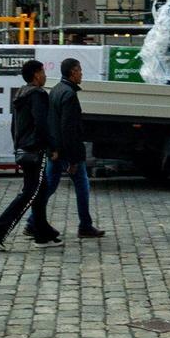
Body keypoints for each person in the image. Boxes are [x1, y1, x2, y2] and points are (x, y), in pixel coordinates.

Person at [0, 59, 58, 249]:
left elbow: (14, 125)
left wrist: (18, 146)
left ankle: (42, 233)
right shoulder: (38, 95)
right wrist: (52, 146)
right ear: (36, 74)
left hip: (24, 148)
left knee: (40, 190)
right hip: (34, 149)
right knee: (31, 192)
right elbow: (41, 124)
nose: (45, 75)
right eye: (42, 72)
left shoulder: (21, 93)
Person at [32, 57, 102, 240]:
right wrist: (72, 159)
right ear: (72, 72)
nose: (81, 73)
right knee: (82, 185)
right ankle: (85, 225)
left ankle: (32, 222)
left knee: (48, 186)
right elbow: (68, 129)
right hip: (67, 151)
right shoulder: (69, 95)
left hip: (56, 149)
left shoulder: (56, 90)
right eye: (79, 70)